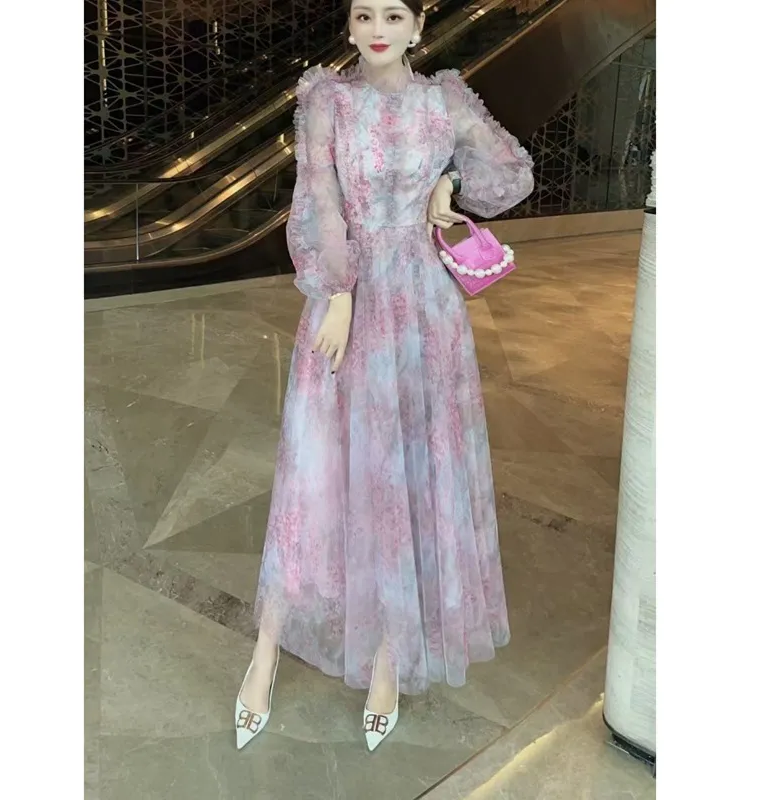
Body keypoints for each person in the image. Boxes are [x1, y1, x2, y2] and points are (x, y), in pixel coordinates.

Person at [235, 0, 534, 752]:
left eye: (393, 15)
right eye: (364, 14)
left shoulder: (445, 100)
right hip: (348, 296)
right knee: (316, 471)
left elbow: (510, 175)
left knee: (407, 469)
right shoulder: (327, 101)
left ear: (417, 28)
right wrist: (338, 292)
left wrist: (448, 184)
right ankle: (265, 652)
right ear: (348, 26)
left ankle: (389, 659)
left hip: (425, 308)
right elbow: (317, 200)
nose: (377, 29)